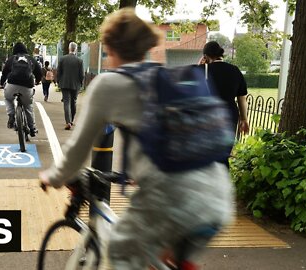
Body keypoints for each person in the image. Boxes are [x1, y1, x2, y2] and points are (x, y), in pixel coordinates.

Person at [39, 8, 234, 270]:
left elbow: (76, 151)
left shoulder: (109, 85)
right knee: (162, 257)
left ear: (109, 46)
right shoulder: (167, 77)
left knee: (121, 250)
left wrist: (53, 177)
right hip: (218, 197)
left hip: (171, 199)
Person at [200, 41, 250, 166]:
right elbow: (241, 98)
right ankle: (224, 180)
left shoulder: (201, 70)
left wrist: (199, 65)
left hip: (208, 117)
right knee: (223, 154)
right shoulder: (235, 70)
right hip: (230, 116)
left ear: (205, 56)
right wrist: (244, 119)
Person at [0, 42, 42, 137]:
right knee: (28, 106)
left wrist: (2, 83)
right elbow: (39, 73)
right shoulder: (31, 59)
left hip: (12, 85)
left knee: (8, 99)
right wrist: (37, 81)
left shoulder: (12, 59)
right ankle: (32, 128)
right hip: (27, 87)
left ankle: (11, 115)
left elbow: (4, 73)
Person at [57, 42, 84, 130]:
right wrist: (80, 84)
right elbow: (82, 75)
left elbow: (59, 72)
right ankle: (71, 120)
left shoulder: (62, 59)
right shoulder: (79, 61)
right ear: (75, 49)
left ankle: (68, 122)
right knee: (74, 102)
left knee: (66, 103)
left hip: (64, 84)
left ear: (69, 49)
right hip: (75, 85)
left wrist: (58, 82)